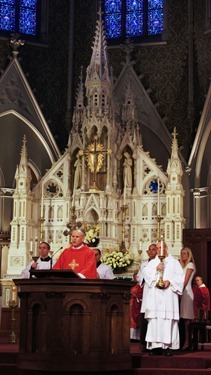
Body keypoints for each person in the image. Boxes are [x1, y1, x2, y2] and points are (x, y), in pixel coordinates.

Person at [142, 241, 184, 356]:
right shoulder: (153, 263)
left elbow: (180, 278)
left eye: (161, 247)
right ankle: (155, 347)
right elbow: (145, 275)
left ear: (166, 248)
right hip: (155, 295)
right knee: (155, 320)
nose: (160, 249)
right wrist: (156, 269)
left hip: (168, 295)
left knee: (167, 320)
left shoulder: (174, 262)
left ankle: (168, 347)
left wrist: (169, 281)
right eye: (158, 247)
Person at [137, 243, 157, 352]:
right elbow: (140, 277)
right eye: (149, 250)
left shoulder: (160, 263)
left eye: (153, 249)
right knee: (144, 318)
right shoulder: (144, 264)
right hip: (146, 291)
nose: (151, 251)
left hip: (155, 291)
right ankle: (144, 343)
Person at [179, 247, 196, 349]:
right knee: (183, 318)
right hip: (182, 292)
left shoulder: (190, 265)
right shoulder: (182, 266)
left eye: (185, 253)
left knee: (187, 319)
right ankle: (183, 341)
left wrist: (180, 291)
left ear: (189, 255)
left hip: (186, 293)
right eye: (182, 254)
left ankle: (188, 342)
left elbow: (185, 280)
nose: (183, 255)